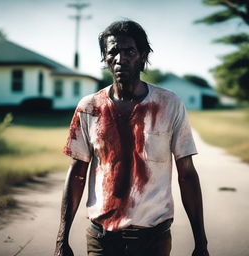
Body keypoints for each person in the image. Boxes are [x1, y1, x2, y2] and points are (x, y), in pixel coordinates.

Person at [54, 20, 209, 256]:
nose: (120, 58)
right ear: (105, 57)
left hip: (153, 239)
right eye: (113, 51)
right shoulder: (89, 107)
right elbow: (77, 173)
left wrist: (201, 244)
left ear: (143, 55)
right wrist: (61, 241)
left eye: (129, 51)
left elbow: (187, 174)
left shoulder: (169, 104)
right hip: (102, 239)